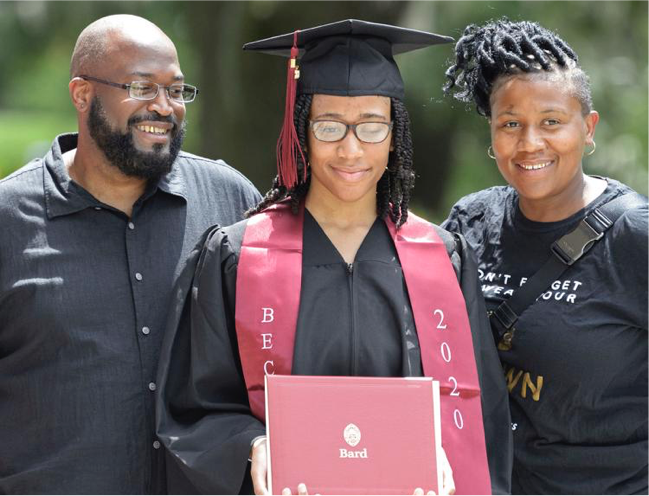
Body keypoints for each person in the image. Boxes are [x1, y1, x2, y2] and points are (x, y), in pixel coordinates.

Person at [157, 19, 511, 496]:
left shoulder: (443, 259)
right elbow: (192, 404)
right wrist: (252, 443)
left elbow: (480, 413)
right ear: (301, 131)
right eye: (329, 127)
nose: (350, 148)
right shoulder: (238, 256)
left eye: (371, 126)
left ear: (393, 134)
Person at [0, 14, 260, 495]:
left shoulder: (231, 203)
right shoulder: (8, 221)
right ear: (82, 95)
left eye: (176, 90)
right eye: (142, 87)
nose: (164, 107)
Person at [443, 19, 649, 495]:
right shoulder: (470, 222)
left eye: (551, 122)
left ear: (588, 127)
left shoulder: (634, 235)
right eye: (510, 124)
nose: (530, 143)